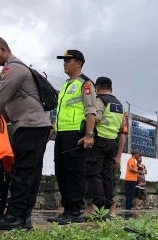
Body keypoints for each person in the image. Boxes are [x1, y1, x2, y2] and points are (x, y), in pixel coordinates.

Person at [0, 37, 52, 230]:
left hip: (30, 126)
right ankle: (24, 215)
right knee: (31, 171)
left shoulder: (14, 69)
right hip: (34, 125)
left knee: (23, 170)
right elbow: (5, 108)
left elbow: (0, 100)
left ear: (3, 50)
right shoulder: (16, 69)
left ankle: (14, 215)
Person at [47, 50, 96, 224]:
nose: (64, 63)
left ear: (79, 63)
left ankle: (75, 211)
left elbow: (91, 111)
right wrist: (51, 131)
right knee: (61, 172)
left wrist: (88, 135)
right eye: (64, 60)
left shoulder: (86, 84)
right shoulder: (66, 85)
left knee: (74, 173)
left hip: (76, 134)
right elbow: (60, 114)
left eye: (68, 60)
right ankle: (67, 209)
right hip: (62, 134)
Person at [82, 77, 126, 220]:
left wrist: (86, 118)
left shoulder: (100, 100)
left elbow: (96, 118)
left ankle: (99, 206)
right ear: (111, 88)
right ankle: (107, 207)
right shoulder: (120, 106)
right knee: (107, 176)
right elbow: (122, 129)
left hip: (99, 141)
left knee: (93, 174)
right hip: (112, 143)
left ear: (97, 88)